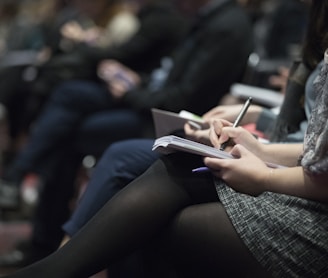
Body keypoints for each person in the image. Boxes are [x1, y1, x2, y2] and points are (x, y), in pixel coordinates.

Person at [2, 46, 328, 278]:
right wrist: (260, 149)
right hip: (293, 167)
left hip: (313, 214)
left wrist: (265, 173)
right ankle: (54, 260)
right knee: (165, 162)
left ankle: (54, 262)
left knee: (160, 205)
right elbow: (317, 150)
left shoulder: (219, 23)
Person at [0, 0, 254, 268]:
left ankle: (55, 253)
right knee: (69, 99)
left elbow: (184, 99)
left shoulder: (222, 25)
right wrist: (137, 81)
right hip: (156, 105)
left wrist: (132, 93)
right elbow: (168, 79)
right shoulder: (204, 17)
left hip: (177, 123)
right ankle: (49, 244)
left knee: (84, 136)